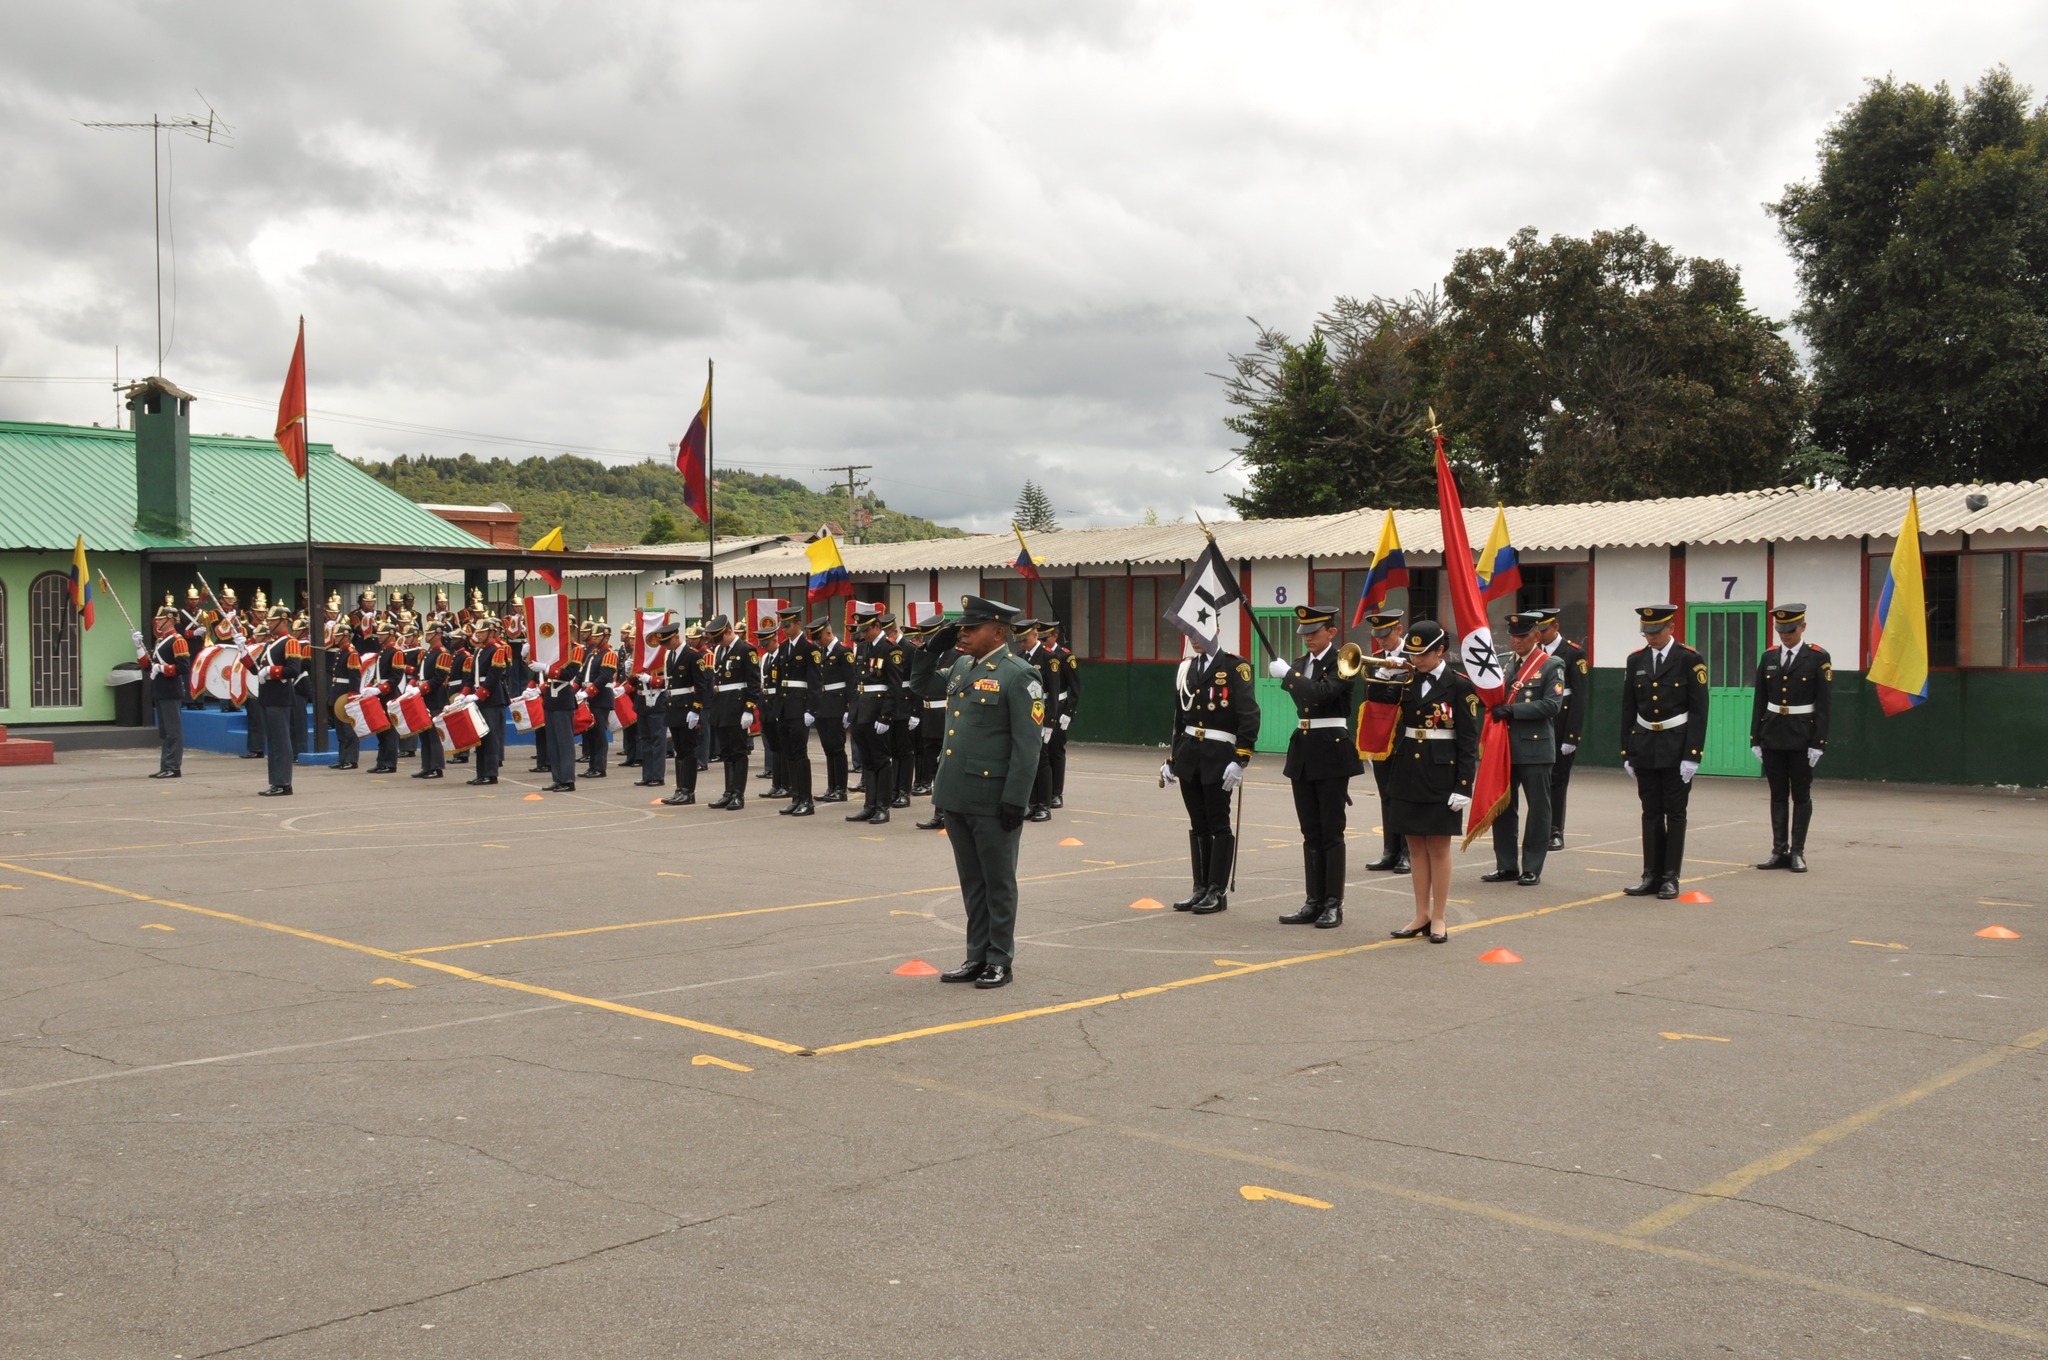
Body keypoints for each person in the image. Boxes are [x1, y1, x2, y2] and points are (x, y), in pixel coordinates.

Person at [930, 595, 1044, 989]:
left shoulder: (1019, 674)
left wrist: (1016, 799)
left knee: (998, 882)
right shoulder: (962, 664)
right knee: (971, 882)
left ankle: (999, 959)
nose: (963, 632)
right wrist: (931, 650)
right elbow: (920, 685)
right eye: (962, 627)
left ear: (998, 631)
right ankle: (976, 955)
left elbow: (1027, 746)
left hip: (993, 798)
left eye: (971, 627)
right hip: (958, 793)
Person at [1374, 622, 1481, 942]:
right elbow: (1379, 704)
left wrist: (1464, 784)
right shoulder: (1407, 678)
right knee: (1415, 847)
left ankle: (1440, 916)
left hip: (1440, 773)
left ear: (1440, 651)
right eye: (1412, 653)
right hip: (1407, 770)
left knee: (1438, 847)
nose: (1415, 659)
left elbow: (1467, 739)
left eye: (1422, 654)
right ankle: (1420, 913)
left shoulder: (1459, 685)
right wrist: (1385, 676)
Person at [1271, 605, 1363, 928]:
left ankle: (1334, 903)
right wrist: (1293, 674)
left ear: (1331, 632)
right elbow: (1304, 703)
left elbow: (1323, 694)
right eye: (1304, 632)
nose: (1308, 637)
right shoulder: (1299, 664)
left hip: (1332, 749)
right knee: (1310, 831)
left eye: (1314, 631)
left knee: (1331, 831)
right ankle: (1313, 900)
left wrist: (1289, 676)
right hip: (1305, 750)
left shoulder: (1344, 662)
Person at [1161, 638, 1259, 914]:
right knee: (1198, 823)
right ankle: (1200, 888)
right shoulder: (1187, 668)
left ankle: (1217, 890)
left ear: (1215, 630)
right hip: (1190, 754)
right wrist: (1173, 758)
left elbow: (1249, 713)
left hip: (1219, 755)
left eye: (1199, 630)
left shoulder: (1233, 666)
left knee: (1218, 823)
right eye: (1190, 632)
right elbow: (1180, 717)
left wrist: (1241, 757)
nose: (1194, 638)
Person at [1620, 605, 1710, 900]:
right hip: (1646, 744)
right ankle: (1650, 875)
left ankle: (1670, 877)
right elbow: (1628, 708)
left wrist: (1692, 754)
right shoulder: (1637, 660)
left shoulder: (1689, 659)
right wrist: (1627, 750)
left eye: (1656, 631)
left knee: (1675, 813)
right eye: (1646, 631)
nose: (1651, 636)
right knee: (1650, 813)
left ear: (1671, 628)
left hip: (1676, 744)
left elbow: (1699, 710)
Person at [1480, 611, 1567, 886]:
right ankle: (1506, 865)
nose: (1517, 641)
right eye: (1513, 636)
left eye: (1523, 636)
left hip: (1535, 748)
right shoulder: (1504, 664)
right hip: (1503, 748)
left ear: (1536, 636)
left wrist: (1512, 711)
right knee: (1503, 807)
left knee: (1539, 809)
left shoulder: (1552, 665)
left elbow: (1552, 706)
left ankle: (1532, 866)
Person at [1750, 604, 1831, 873]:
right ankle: (1778, 849)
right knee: (1777, 794)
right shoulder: (1770, 656)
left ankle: (1797, 851)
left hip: (1801, 734)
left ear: (1803, 627)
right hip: (1773, 732)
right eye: (1780, 630)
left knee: (1801, 794)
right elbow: (1760, 698)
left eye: (1791, 629)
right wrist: (1755, 737)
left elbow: (1824, 703)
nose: (1785, 635)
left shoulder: (1817, 657)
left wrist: (1818, 742)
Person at [1359, 611, 1410, 874]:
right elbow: (1373, 698)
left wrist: (1397, 678)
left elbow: (1403, 697)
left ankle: (1407, 852)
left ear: (1399, 629)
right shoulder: (1376, 661)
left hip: (1405, 735)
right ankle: (1390, 851)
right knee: (1386, 794)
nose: (1382, 641)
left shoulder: (1414, 656)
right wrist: (1384, 676)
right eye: (1377, 636)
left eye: (1386, 635)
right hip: (1382, 734)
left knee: (1404, 794)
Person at [1535, 607, 1588, 851]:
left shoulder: (1573, 653)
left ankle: (1555, 830)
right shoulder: (1534, 652)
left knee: (1557, 780)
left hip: (1560, 723)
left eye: (1544, 629)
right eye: (1537, 630)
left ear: (1556, 627)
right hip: (1536, 722)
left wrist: (1572, 736)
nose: (1539, 634)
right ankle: (1539, 828)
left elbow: (1579, 698)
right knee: (1537, 781)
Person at [847, 610, 906, 824]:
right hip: (861, 711)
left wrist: (886, 716)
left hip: (877, 711)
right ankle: (869, 806)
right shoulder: (862, 648)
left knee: (881, 760)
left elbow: (894, 685)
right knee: (868, 762)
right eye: (862, 630)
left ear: (878, 627)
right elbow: (857, 683)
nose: (864, 634)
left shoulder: (890, 650)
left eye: (867, 630)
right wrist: (851, 710)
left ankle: (882, 807)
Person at [245, 605, 304, 797]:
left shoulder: (290, 642)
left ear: (284, 621)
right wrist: (243, 653)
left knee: (281, 742)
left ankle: (284, 782)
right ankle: (276, 781)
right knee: (273, 741)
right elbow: (256, 669)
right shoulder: (271, 644)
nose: (268, 623)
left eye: (272, 620)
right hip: (268, 697)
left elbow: (293, 670)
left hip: (280, 697)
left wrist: (271, 671)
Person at [705, 615, 761, 810]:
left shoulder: (746, 650)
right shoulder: (720, 650)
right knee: (726, 752)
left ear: (729, 631)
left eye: (720, 638)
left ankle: (738, 794)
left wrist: (749, 709)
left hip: (737, 707)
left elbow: (754, 683)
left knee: (738, 751)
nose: (717, 642)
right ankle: (728, 792)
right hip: (722, 706)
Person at [772, 605, 819, 817]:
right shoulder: (782, 648)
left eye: (788, 625)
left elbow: (816, 682)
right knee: (788, 753)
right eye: (782, 626)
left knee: (800, 753)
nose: (784, 629)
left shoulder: (809, 649)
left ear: (798, 624)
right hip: (784, 706)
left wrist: (811, 709)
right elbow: (779, 680)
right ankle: (795, 796)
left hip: (800, 706)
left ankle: (806, 800)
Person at [137, 599, 191, 778]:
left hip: (171, 690)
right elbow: (147, 666)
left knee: (173, 730)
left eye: (160, 619)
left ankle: (173, 766)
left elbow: (184, 667)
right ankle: (166, 765)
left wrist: (163, 669)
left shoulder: (178, 640)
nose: (157, 622)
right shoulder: (161, 640)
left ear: (170, 620)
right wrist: (138, 647)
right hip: (160, 690)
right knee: (165, 731)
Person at [1016, 619, 1063, 821]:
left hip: (1039, 715)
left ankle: (1044, 805)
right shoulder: (1019, 658)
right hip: (1022, 715)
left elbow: (1053, 694)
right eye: (1019, 640)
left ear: (1035, 635)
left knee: (1042, 761)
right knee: (1026, 761)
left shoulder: (1048, 658)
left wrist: (1049, 723)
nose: (1022, 644)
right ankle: (1031, 802)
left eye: (1024, 639)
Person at [658, 620, 706, 805]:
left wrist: (696, 709)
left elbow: (701, 686)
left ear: (677, 637)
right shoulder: (670, 656)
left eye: (668, 642)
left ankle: (688, 791)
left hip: (687, 707)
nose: (666, 646)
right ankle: (680, 788)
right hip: (674, 707)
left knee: (689, 750)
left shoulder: (692, 656)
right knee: (680, 751)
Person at [810, 617, 855, 804]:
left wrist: (848, 709)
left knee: (837, 748)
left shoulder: (843, 652)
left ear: (828, 633)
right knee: (828, 748)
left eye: (818, 637)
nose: (816, 641)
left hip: (837, 706)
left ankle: (840, 789)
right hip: (823, 706)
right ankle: (831, 786)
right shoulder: (820, 652)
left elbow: (852, 683)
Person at [538, 631, 585, 795]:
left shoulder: (576, 649)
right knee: (553, 743)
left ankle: (567, 779)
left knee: (564, 744)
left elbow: (568, 674)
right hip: (550, 699)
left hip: (564, 700)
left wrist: (546, 668)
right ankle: (557, 778)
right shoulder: (552, 651)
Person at [466, 615, 510, 786]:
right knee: (480, 737)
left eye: (483, 632)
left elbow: (494, 676)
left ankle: (490, 774)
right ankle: (481, 772)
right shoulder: (479, 650)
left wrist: (479, 694)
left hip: (491, 698)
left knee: (490, 737)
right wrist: (464, 693)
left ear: (491, 633)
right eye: (478, 632)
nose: (479, 635)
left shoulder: (497, 649)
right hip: (479, 697)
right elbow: (471, 677)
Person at [1044, 621, 1080, 808]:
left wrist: (1069, 713)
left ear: (1055, 636)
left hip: (1058, 706)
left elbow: (1075, 688)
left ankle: (1056, 793)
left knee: (1055, 751)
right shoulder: (1040, 656)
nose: (1043, 641)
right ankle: (1041, 793)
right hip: (1040, 706)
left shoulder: (1065, 657)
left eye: (1046, 637)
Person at [412, 622, 452, 780]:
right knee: (424, 733)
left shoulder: (442, 653)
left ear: (438, 634)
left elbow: (439, 678)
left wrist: (421, 689)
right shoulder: (428, 652)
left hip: (435, 697)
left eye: (430, 634)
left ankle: (436, 767)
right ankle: (426, 766)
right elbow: (419, 674)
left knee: (434, 734)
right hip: (424, 696)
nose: (427, 637)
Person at [581, 620, 618, 778]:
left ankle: (599, 767)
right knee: (590, 734)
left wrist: (588, 692)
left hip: (600, 697)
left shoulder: (609, 654)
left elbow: (603, 678)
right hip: (589, 696)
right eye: (593, 637)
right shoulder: (592, 654)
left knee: (599, 734)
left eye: (597, 637)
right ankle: (592, 766)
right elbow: (581, 675)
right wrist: (575, 688)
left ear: (606, 637)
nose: (593, 640)